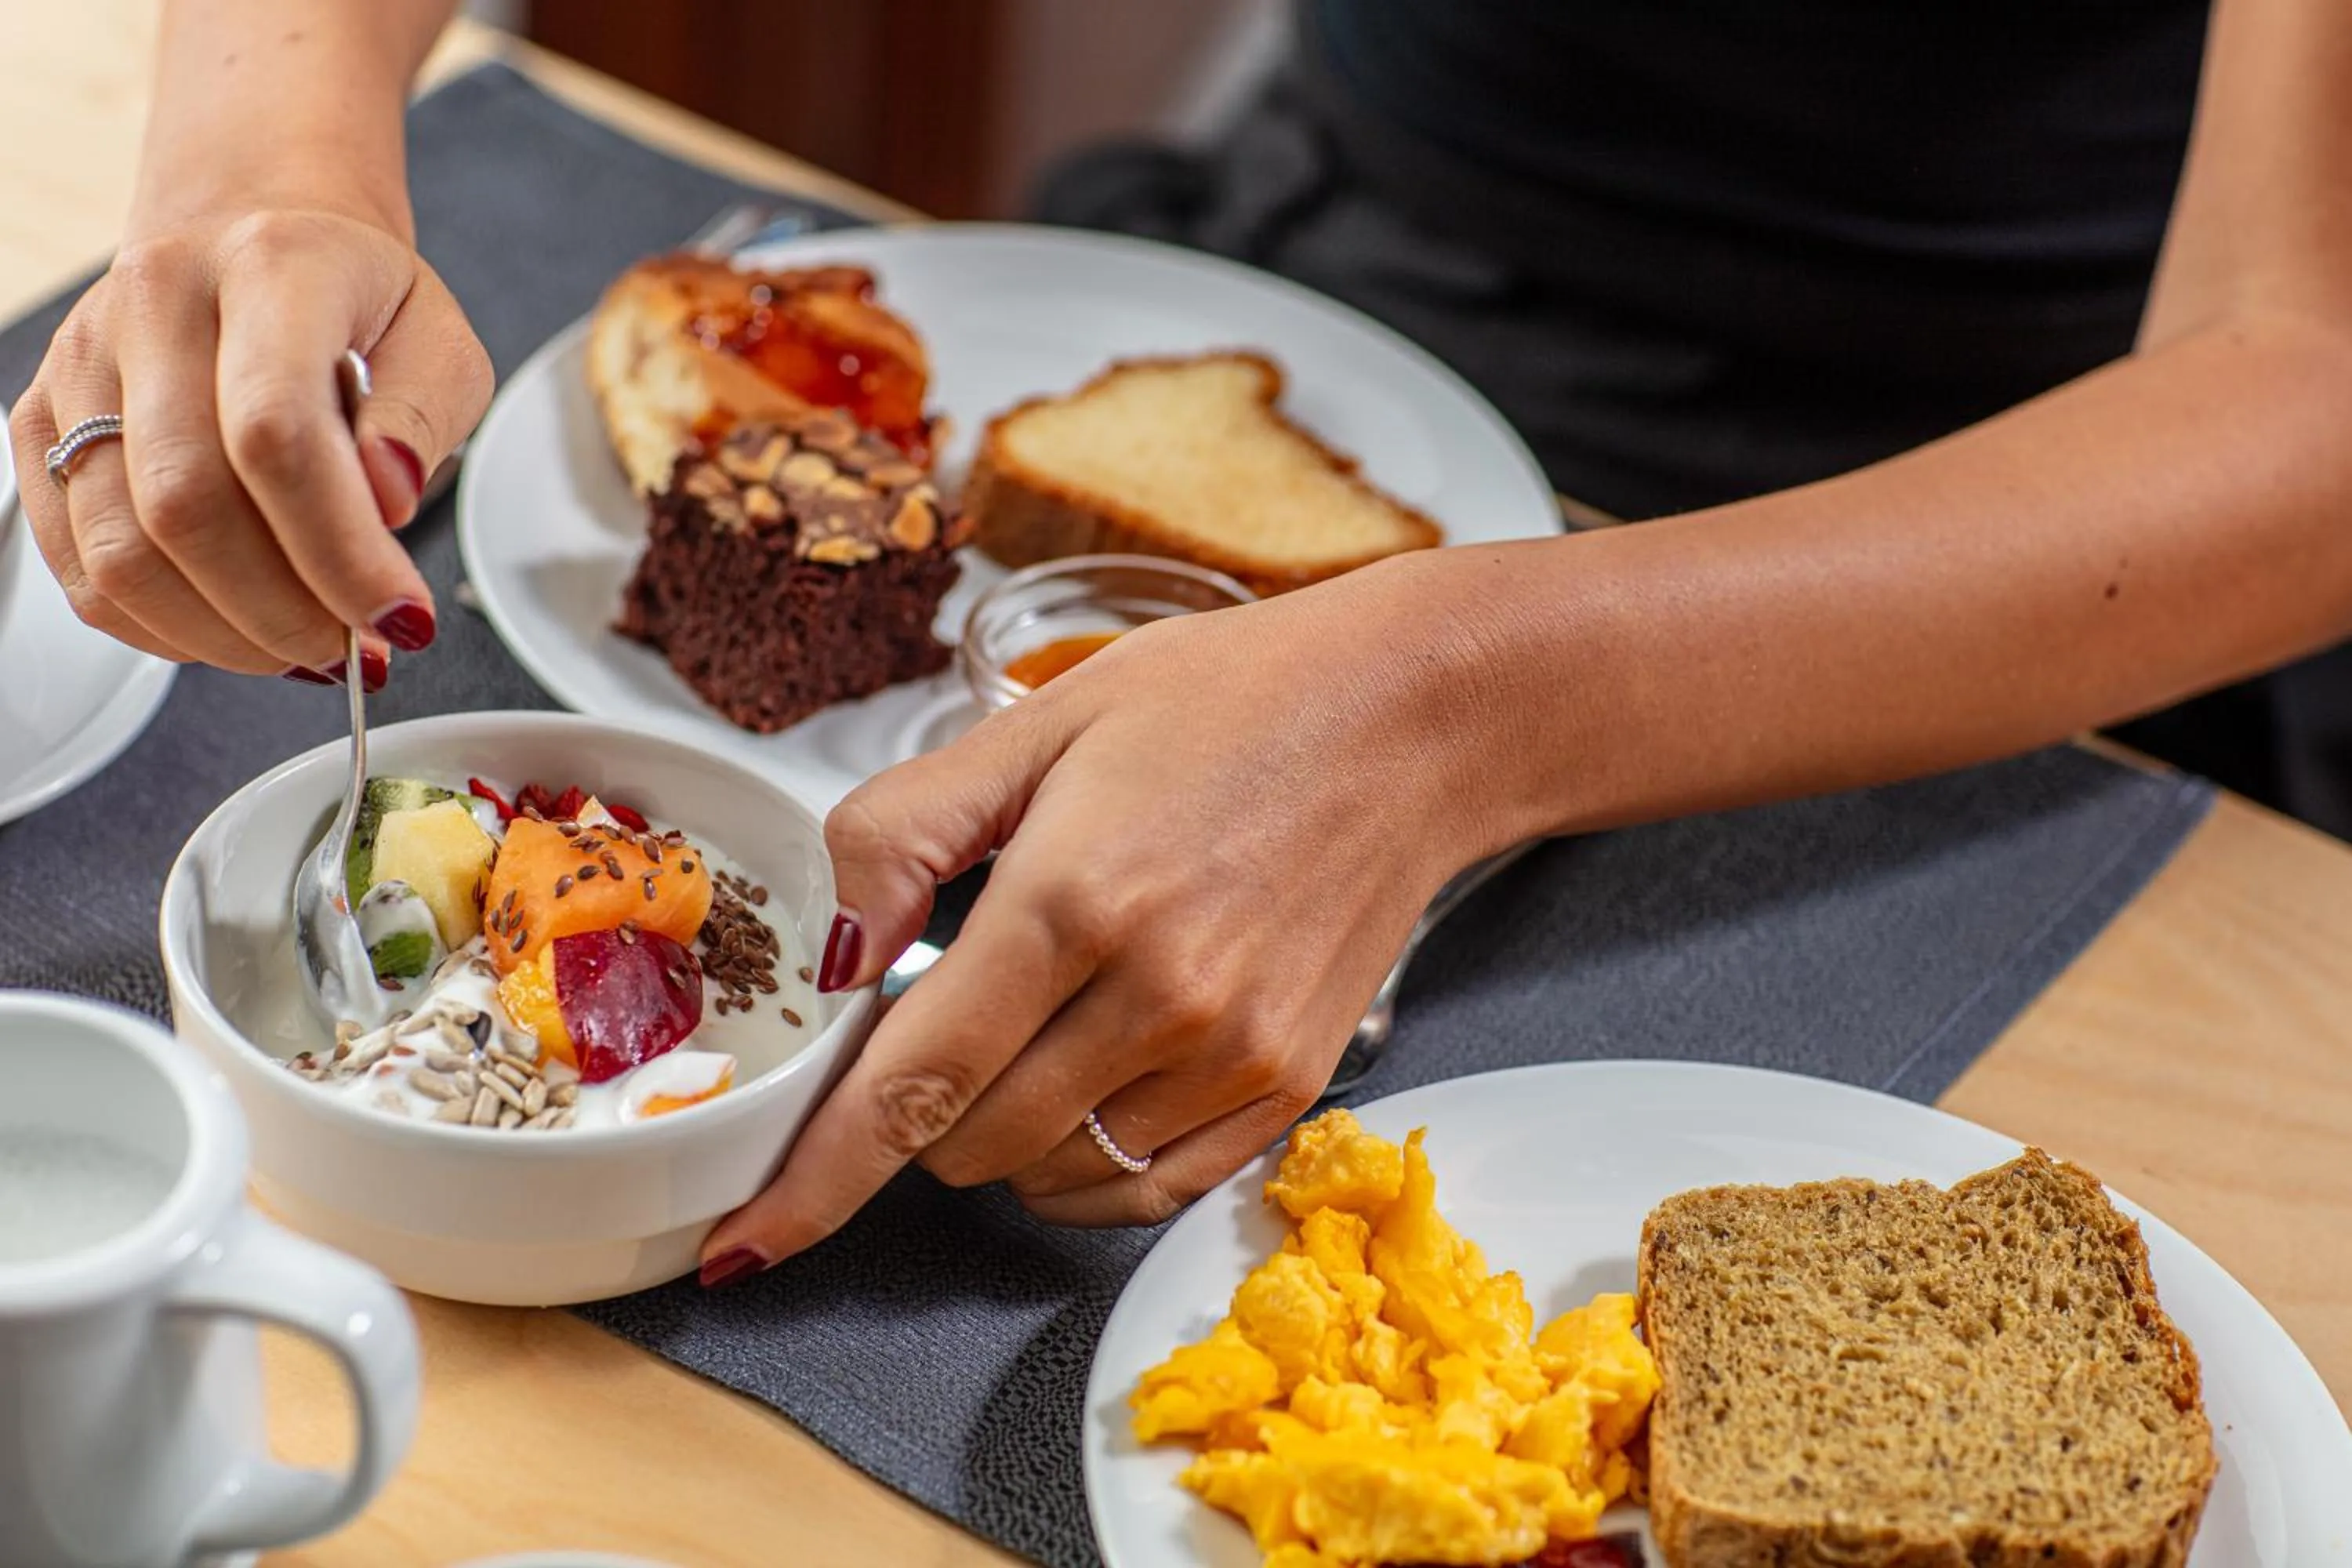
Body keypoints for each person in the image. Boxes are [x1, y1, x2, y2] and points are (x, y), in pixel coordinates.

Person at [16, 0, 2352, 1289]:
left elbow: (2306, 372)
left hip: (2026, 544)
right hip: (1350, 260)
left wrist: (1463, 696)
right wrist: (271, 143)